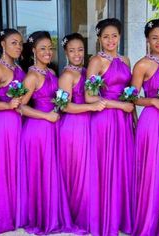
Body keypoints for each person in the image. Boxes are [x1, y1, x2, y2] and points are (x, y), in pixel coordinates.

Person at [19, 31, 72, 234]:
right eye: (43, 48)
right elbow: (20, 107)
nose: (48, 52)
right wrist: (46, 116)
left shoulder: (51, 72)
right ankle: (42, 216)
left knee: (52, 172)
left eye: (50, 48)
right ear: (33, 51)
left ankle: (53, 213)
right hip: (38, 130)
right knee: (41, 173)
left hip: (52, 127)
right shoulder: (31, 76)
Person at [86, 18, 134, 236]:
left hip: (124, 119)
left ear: (120, 36)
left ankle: (122, 216)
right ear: (99, 39)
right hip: (104, 118)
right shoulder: (96, 61)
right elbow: (89, 96)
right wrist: (119, 105)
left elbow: (130, 93)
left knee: (123, 164)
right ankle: (106, 217)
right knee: (107, 166)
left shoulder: (126, 59)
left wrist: (132, 115)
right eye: (105, 36)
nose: (110, 40)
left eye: (114, 35)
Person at [58, 32, 105, 233]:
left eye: (80, 50)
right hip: (73, 127)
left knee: (88, 173)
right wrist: (91, 108)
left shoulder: (86, 71)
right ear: (65, 53)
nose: (77, 54)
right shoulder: (67, 75)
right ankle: (76, 214)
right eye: (72, 50)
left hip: (87, 125)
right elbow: (64, 107)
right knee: (77, 173)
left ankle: (89, 213)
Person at [132, 18, 159, 236]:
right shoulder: (142, 65)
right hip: (152, 122)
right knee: (153, 169)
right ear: (147, 40)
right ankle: (152, 220)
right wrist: (154, 101)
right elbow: (132, 98)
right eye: (154, 37)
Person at [0, 28, 25, 234]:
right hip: (3, 124)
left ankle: (18, 213)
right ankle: (3, 217)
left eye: (20, 43)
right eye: (13, 43)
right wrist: (8, 105)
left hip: (18, 123)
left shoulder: (18, 67)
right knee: (5, 168)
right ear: (2, 44)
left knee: (17, 168)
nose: (18, 47)